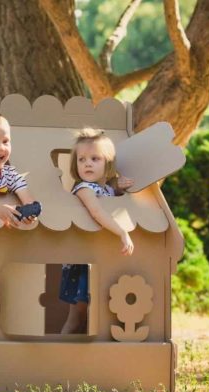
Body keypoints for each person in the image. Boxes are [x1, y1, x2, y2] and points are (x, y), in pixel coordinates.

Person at [60, 128, 134, 334]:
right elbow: (97, 211)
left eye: (95, 158)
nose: (87, 164)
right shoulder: (83, 188)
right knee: (77, 318)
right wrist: (122, 232)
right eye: (82, 159)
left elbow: (109, 194)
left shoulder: (105, 189)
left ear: (108, 163)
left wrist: (118, 187)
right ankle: (57, 352)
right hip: (82, 262)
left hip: (100, 257)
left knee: (91, 318)